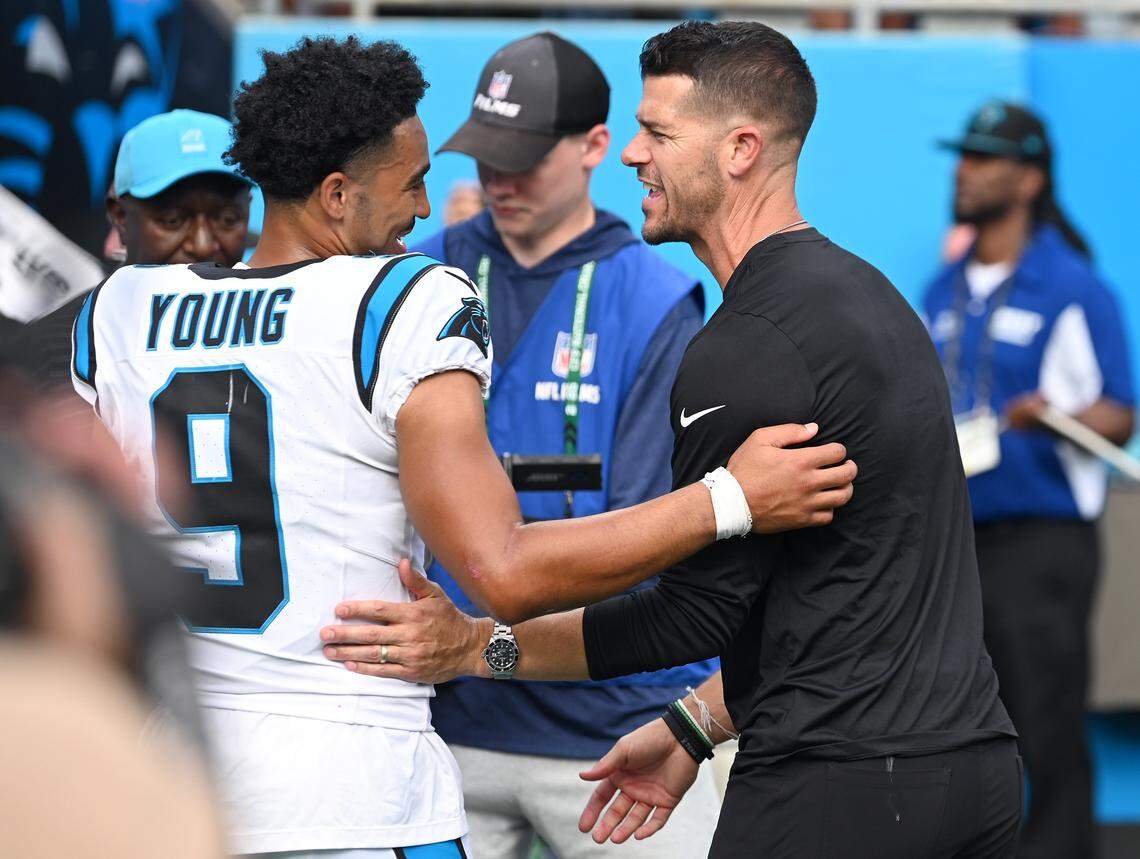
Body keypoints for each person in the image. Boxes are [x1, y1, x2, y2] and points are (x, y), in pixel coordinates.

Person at [70, 35, 856, 858]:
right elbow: (504, 571)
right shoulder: (406, 295)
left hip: (176, 778)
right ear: (337, 195)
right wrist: (731, 499)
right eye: (409, 185)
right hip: (352, 786)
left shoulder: (120, 310)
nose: (424, 208)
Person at [323, 22, 1023, 859]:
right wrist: (695, 724)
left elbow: (688, 614)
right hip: (971, 769)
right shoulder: (872, 298)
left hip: (841, 785)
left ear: (739, 149)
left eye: (657, 133)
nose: (631, 154)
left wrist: (479, 645)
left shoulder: (741, 344)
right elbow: (841, 597)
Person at [412, 32, 719, 858]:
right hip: (446, 723)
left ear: (593, 148)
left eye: (524, 158)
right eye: (484, 156)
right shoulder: (417, 273)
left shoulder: (656, 295)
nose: (498, 180)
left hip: (613, 731)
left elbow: (657, 533)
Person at [926, 101, 1135, 859]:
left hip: (1043, 544)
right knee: (960, 729)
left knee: (1045, 724)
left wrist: (1058, 415)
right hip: (956, 547)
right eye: (964, 153)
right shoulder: (944, 288)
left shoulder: (1072, 286)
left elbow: (1121, 414)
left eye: (984, 157)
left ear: (1029, 178)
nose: (965, 168)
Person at [17, 109, 252, 394]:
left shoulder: (284, 332)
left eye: (227, 220)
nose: (202, 245)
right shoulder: (55, 349)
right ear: (120, 217)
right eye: (173, 220)